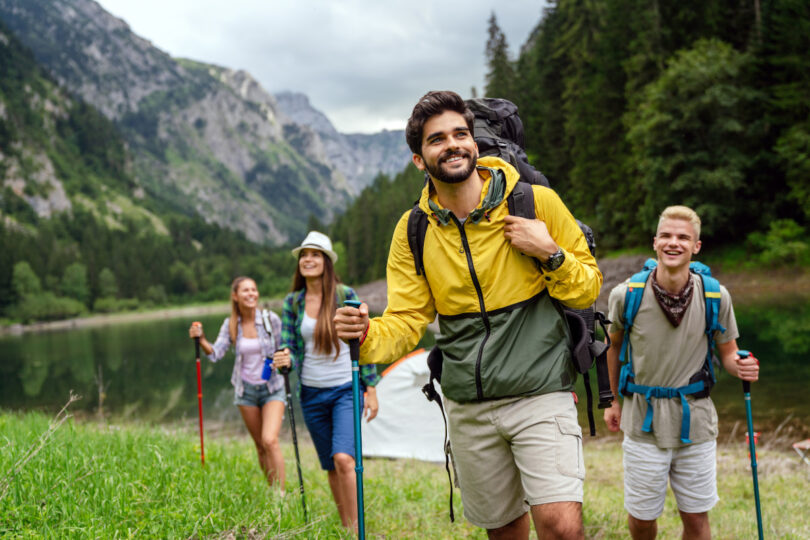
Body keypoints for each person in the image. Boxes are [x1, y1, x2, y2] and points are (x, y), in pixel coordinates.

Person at [334, 91, 602, 539]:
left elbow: (587, 285)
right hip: (468, 405)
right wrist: (363, 336)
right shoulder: (413, 230)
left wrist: (550, 252)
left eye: (461, 133)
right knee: (504, 532)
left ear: (475, 143)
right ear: (420, 159)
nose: (453, 144)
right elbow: (406, 319)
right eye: (437, 140)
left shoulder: (534, 203)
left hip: (539, 390)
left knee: (560, 528)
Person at [602, 205, 760, 540]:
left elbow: (729, 356)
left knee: (697, 518)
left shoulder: (714, 294)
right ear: (655, 242)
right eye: (667, 236)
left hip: (697, 423)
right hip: (642, 420)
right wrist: (612, 401)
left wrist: (742, 366)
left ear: (696, 246)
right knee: (643, 519)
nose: (674, 243)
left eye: (683, 237)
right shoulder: (625, 294)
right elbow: (612, 348)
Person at [273, 231, 379, 532]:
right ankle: (347, 528)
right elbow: (290, 346)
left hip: (346, 389)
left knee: (344, 458)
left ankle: (358, 529)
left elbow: (364, 340)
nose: (308, 259)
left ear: (326, 262)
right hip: (311, 394)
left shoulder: (345, 294)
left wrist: (371, 389)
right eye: (304, 255)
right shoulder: (293, 302)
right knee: (331, 465)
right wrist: (284, 358)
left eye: (315, 254)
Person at [188, 276, 286, 488]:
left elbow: (285, 349)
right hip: (245, 391)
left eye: (254, 289)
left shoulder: (271, 320)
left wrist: (283, 360)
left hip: (272, 388)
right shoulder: (231, 324)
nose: (251, 294)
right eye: (245, 290)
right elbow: (215, 354)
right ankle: (271, 489)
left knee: (270, 440)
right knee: (260, 446)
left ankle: (281, 496)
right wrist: (202, 339)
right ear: (235, 296)